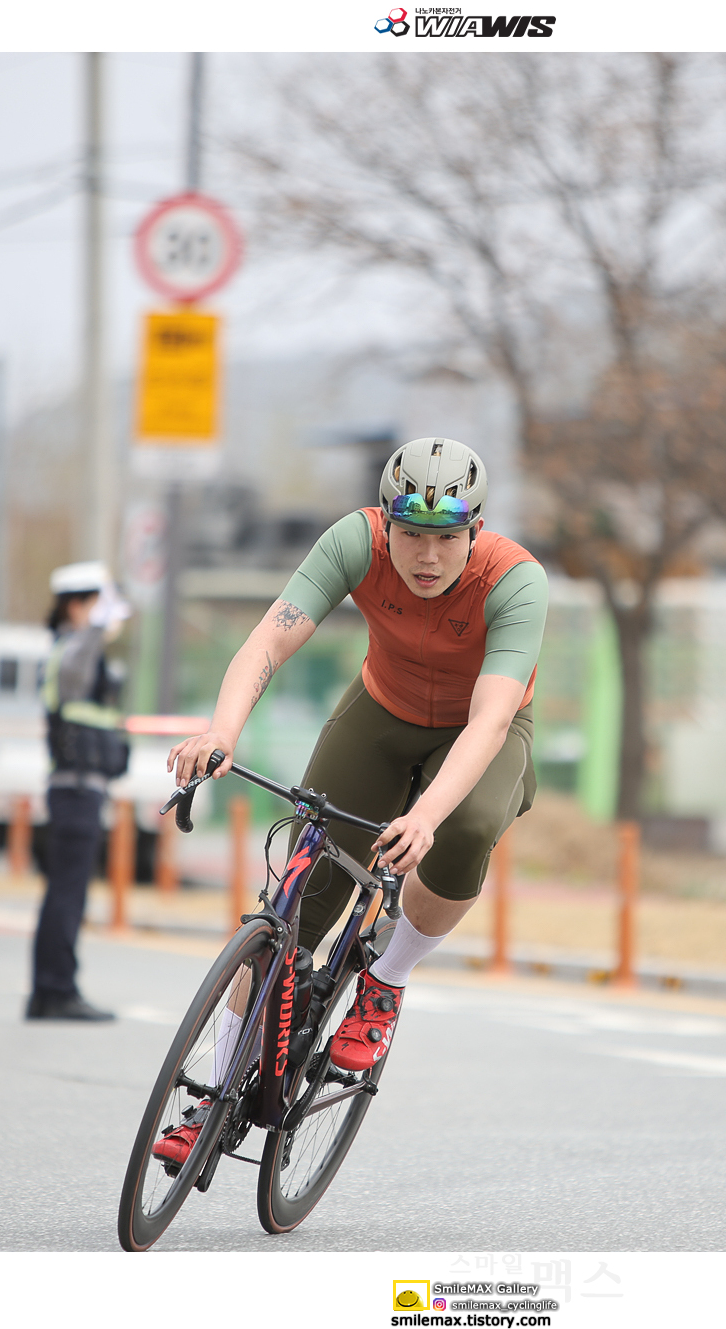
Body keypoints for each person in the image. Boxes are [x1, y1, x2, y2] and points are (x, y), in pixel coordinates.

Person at [157, 437, 547, 1164]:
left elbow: (491, 720)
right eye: (410, 535)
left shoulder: (515, 581)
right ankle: (210, 1099)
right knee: (294, 909)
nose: (426, 556)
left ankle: (385, 980)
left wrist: (424, 817)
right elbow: (267, 642)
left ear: (475, 532)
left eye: (446, 538)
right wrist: (221, 732)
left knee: (465, 828)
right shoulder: (353, 543)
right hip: (380, 712)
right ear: (385, 523)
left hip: (479, 733)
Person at [25, 561, 130, 1022]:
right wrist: (97, 629)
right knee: (67, 896)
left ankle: (50, 990)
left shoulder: (71, 648)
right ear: (76, 606)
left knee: (65, 893)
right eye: (98, 605)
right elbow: (75, 673)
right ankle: (56, 991)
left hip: (80, 792)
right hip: (75, 792)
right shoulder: (72, 650)